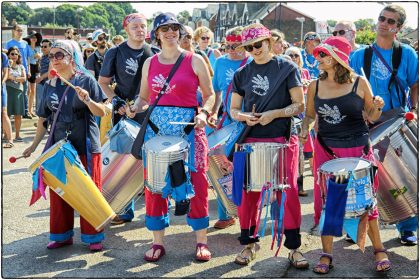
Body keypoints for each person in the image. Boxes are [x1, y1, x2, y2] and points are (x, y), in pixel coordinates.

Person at [125, 12, 215, 262]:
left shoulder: (194, 59)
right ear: (156, 34)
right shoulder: (149, 63)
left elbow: (209, 94)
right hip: (156, 132)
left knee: (197, 184)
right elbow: (144, 98)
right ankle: (157, 242)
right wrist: (135, 107)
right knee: (155, 186)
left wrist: (205, 113)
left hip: (189, 130)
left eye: (174, 27)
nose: (170, 32)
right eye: (164, 29)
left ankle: (201, 241)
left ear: (180, 31)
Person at [300, 36, 391, 274]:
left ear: (337, 58)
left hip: (357, 148)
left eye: (322, 54)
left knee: (364, 201)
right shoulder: (314, 86)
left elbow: (371, 116)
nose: (317, 58)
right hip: (327, 150)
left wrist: (378, 105)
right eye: (318, 54)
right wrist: (302, 130)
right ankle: (327, 253)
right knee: (329, 202)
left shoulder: (359, 83)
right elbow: (310, 115)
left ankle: (378, 249)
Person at [229, 23, 307, 268]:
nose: (254, 50)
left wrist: (275, 113)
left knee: (288, 192)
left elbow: (300, 105)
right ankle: (249, 244)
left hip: (283, 139)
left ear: (269, 41)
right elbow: (233, 110)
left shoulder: (287, 67)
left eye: (258, 44)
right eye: (249, 47)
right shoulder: (242, 73)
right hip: (252, 138)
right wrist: (244, 117)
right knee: (250, 193)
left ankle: (294, 248)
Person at [22, 40, 108, 252]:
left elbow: (102, 112)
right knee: (60, 192)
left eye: (59, 55)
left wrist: (88, 100)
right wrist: (33, 146)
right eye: (51, 56)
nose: (54, 60)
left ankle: (93, 235)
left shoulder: (87, 81)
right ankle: (61, 235)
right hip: (59, 145)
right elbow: (43, 118)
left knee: (89, 192)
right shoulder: (50, 84)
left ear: (71, 57)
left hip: (85, 143)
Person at [350, 4, 418, 246]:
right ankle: (358, 228)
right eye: (382, 18)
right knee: (364, 178)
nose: (384, 23)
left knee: (401, 175)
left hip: (395, 120)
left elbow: (415, 83)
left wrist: (413, 109)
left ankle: (407, 226)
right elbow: (351, 89)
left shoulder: (407, 53)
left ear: (398, 28)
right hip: (366, 121)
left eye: (391, 21)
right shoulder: (359, 55)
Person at [99, 13, 160, 224]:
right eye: (135, 26)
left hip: (149, 113)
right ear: (126, 29)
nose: (140, 30)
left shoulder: (156, 52)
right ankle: (125, 208)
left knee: (151, 160)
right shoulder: (115, 52)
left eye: (143, 26)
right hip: (124, 113)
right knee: (124, 160)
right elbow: (103, 82)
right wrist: (117, 102)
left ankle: (156, 208)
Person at [211, 26, 252, 229]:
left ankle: (247, 214)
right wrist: (212, 111)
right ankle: (226, 213)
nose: (231, 50)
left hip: (250, 124)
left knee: (246, 170)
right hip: (227, 121)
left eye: (235, 45)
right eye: (227, 46)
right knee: (222, 167)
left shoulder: (253, 61)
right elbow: (217, 92)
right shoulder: (220, 62)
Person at [285, 46, 313, 197]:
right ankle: (289, 184)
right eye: (291, 55)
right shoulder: (283, 73)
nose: (294, 57)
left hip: (302, 116)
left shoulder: (305, 73)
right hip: (287, 115)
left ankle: (300, 185)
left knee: (302, 153)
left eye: (296, 55)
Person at [5, 24, 31, 119]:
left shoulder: (25, 44)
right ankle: (11, 112)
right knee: (11, 91)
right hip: (11, 70)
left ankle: (25, 111)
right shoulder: (8, 43)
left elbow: (27, 58)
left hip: (23, 70)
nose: (20, 32)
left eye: (21, 31)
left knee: (24, 92)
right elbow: (5, 58)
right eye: (18, 30)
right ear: (14, 31)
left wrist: (29, 70)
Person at [6, 47, 26, 143]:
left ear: (18, 56)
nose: (14, 56)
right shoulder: (5, 66)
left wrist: (13, 78)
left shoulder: (21, 66)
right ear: (8, 55)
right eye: (12, 54)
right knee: (7, 114)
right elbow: (6, 76)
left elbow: (24, 78)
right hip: (8, 91)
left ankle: (17, 135)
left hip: (18, 92)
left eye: (16, 54)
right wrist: (17, 78)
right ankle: (6, 135)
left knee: (18, 115)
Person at [24, 31, 43, 117]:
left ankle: (31, 110)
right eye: (32, 37)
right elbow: (26, 58)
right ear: (29, 39)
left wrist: (39, 57)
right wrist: (34, 56)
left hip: (36, 68)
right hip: (29, 67)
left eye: (35, 37)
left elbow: (40, 59)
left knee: (33, 91)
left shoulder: (38, 47)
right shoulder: (26, 47)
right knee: (28, 91)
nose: (34, 39)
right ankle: (26, 110)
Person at [35, 39, 51, 118]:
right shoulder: (43, 57)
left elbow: (51, 71)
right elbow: (40, 69)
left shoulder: (52, 57)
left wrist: (41, 77)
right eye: (42, 46)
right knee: (40, 103)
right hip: (41, 83)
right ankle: (40, 121)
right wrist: (39, 76)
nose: (43, 48)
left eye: (45, 46)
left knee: (48, 104)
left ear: (50, 47)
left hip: (49, 84)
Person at [2, 51, 13, 148]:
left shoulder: (3, 56)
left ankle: (10, 140)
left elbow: (6, 73)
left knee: (4, 113)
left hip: (1, 88)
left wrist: (2, 82)